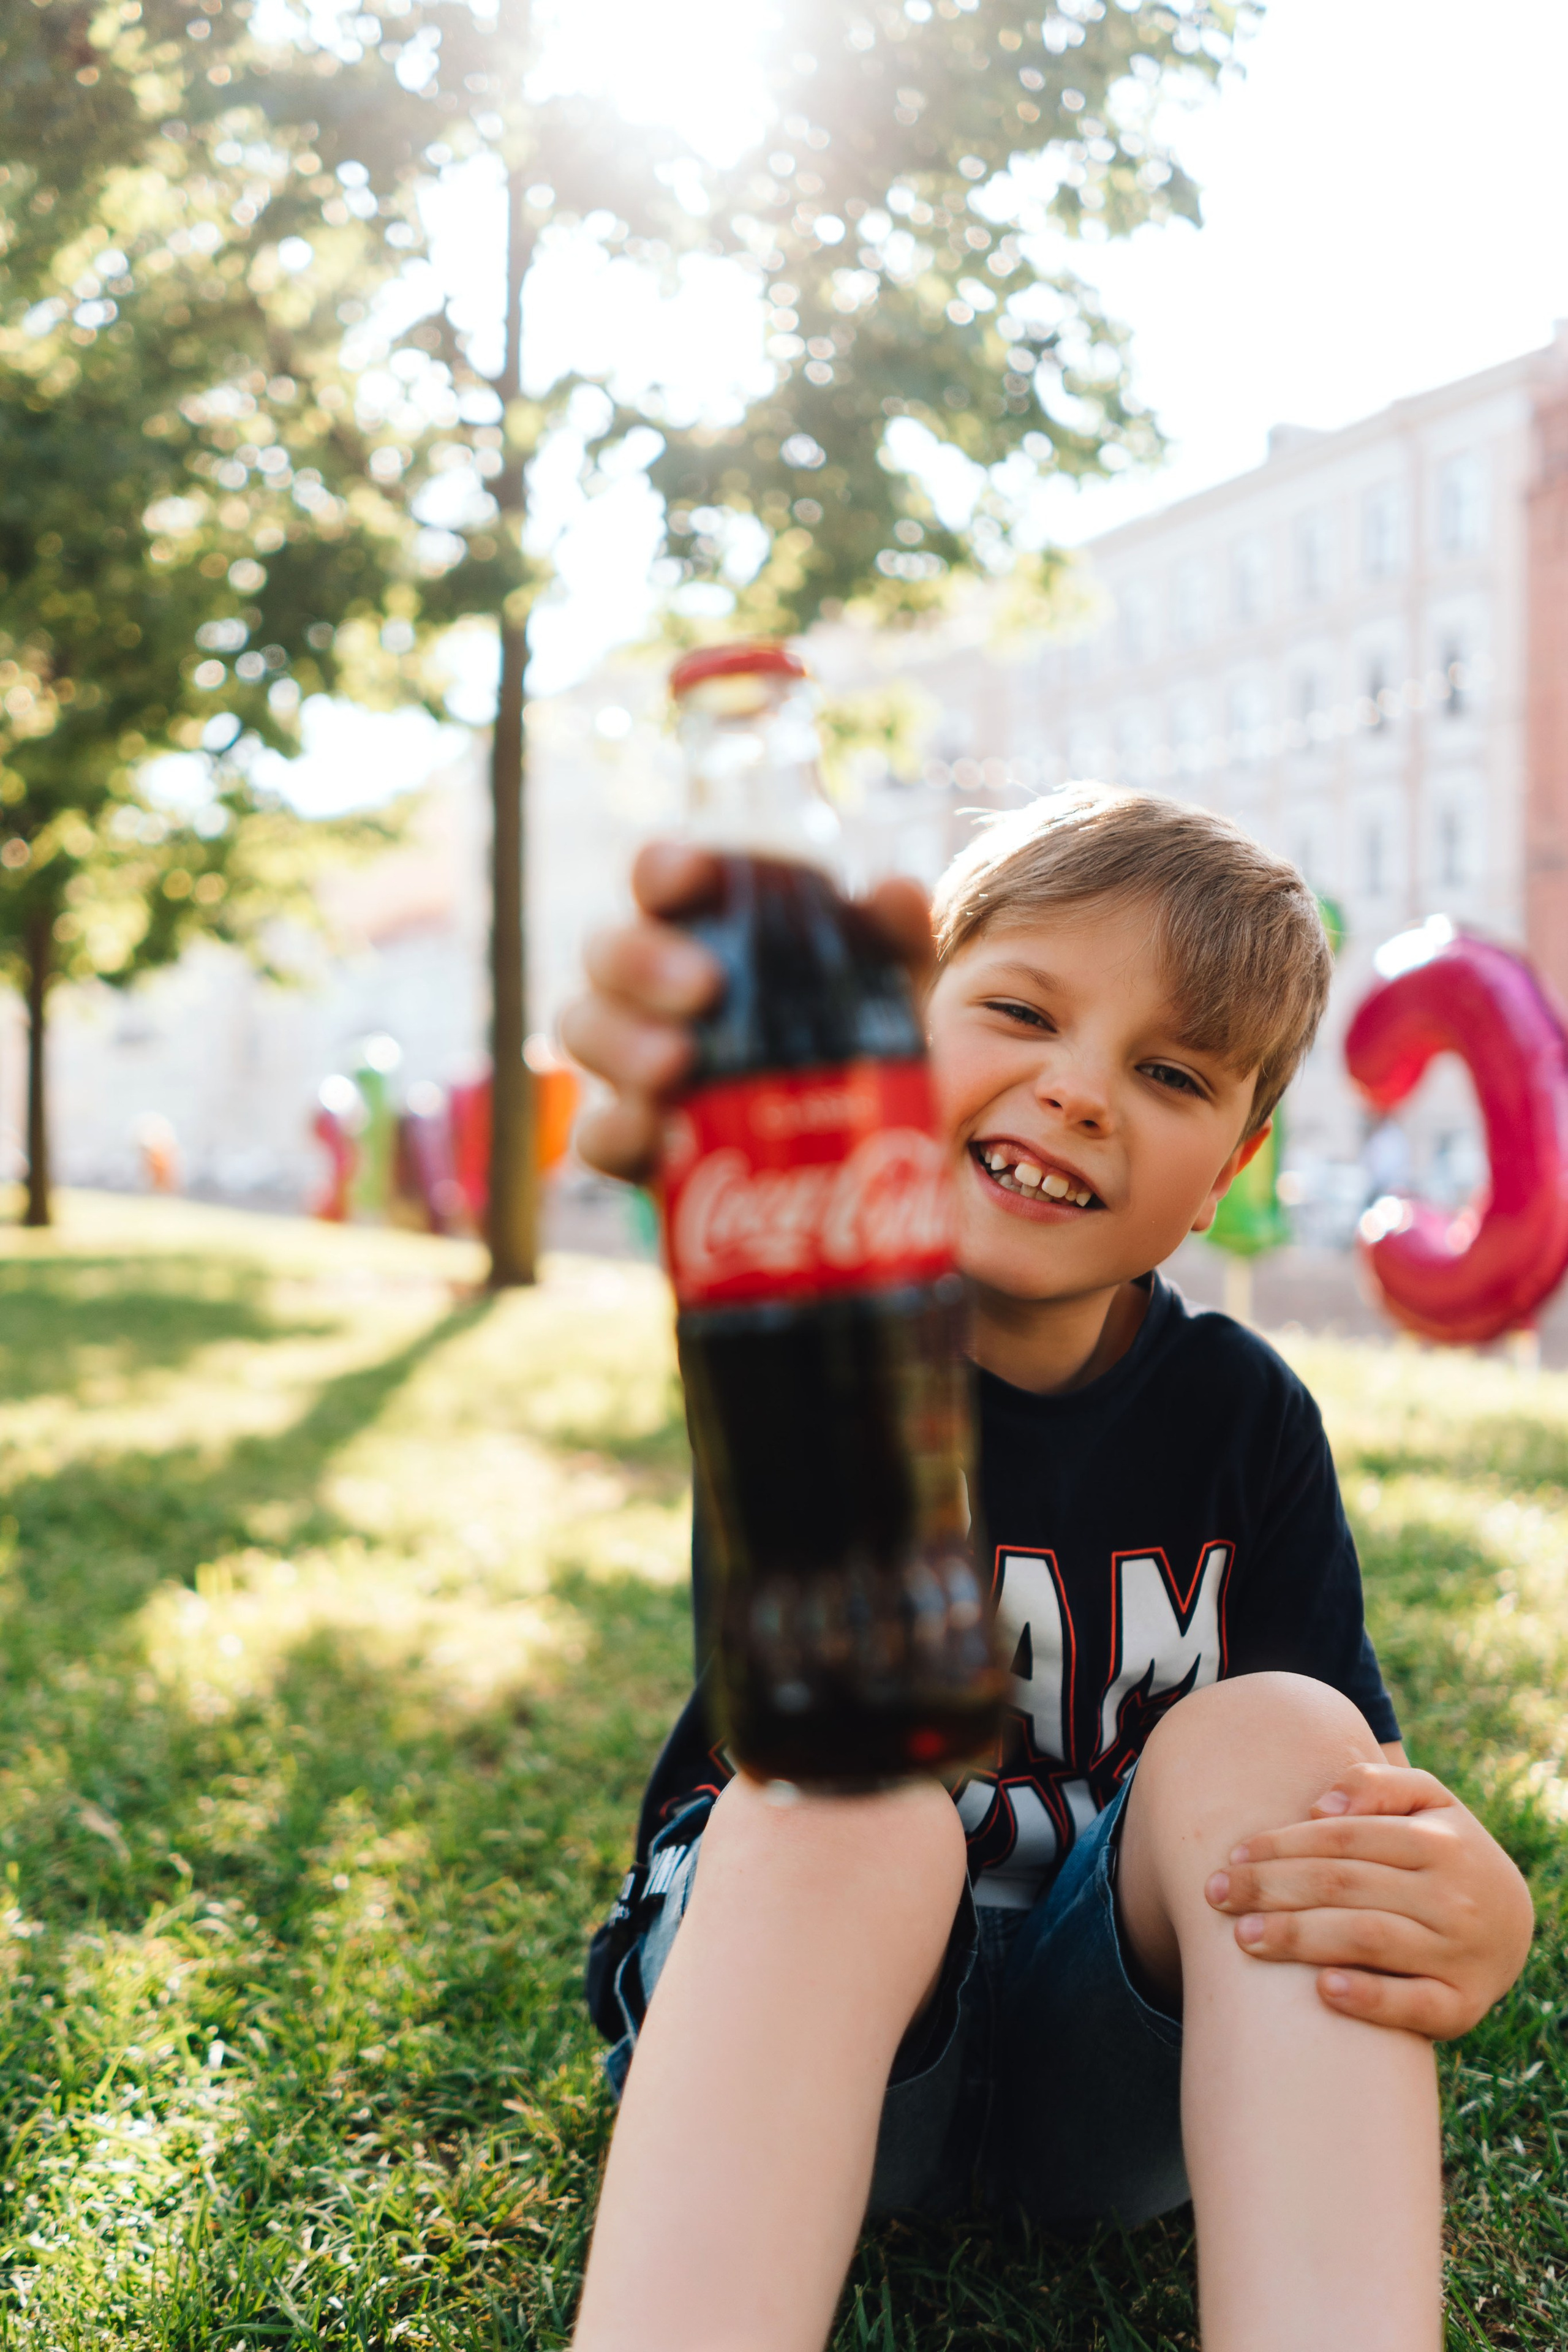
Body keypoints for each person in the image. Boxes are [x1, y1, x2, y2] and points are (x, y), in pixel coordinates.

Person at [557, 786, 1533, 2352]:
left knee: (1285, 1735)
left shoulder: (1245, 1416)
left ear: (1226, 1171)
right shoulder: (827, 1325)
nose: (1078, 1091)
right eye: (1018, 1010)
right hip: (813, 2038)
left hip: (1118, 2083)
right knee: (847, 1787)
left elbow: (1344, 1820)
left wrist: (1460, 1912)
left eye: (1167, 1072)